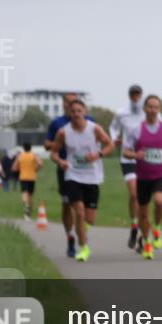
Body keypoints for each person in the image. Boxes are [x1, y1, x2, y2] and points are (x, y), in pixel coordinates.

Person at [50, 99, 114, 263]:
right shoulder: (63, 132)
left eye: (79, 111)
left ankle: (81, 230)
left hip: (92, 176)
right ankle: (84, 248)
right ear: (69, 113)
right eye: (73, 111)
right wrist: (61, 162)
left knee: (90, 219)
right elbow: (54, 153)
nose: (76, 114)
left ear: (85, 112)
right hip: (73, 175)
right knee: (79, 211)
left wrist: (98, 155)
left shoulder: (95, 129)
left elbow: (109, 145)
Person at [122, 95, 162, 259]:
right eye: (150, 107)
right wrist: (135, 154)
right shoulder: (137, 130)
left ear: (159, 110)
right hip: (142, 176)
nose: (153, 110)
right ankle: (147, 243)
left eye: (156, 107)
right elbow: (125, 151)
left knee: (160, 201)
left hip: (161, 174)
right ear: (144, 109)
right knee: (142, 213)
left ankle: (157, 227)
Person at [45, 92, 93, 258]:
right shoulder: (57, 124)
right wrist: (60, 142)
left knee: (87, 211)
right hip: (66, 169)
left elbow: (100, 140)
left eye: (76, 102)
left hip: (88, 170)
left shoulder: (90, 121)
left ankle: (82, 230)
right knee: (67, 205)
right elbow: (47, 145)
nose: (73, 106)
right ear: (64, 104)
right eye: (69, 103)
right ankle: (70, 237)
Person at [110, 84, 145, 249]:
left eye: (138, 94)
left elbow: (160, 129)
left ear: (142, 95)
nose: (135, 97)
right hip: (128, 158)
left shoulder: (149, 112)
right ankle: (134, 226)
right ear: (129, 96)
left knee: (144, 198)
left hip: (146, 159)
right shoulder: (121, 113)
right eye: (133, 95)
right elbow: (113, 127)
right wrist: (114, 138)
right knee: (134, 194)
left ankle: (141, 234)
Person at [12, 143, 43, 220]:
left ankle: (26, 207)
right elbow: (40, 163)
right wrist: (36, 169)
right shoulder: (33, 155)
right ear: (30, 148)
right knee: (30, 195)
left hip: (23, 177)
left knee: (24, 193)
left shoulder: (20, 156)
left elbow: (14, 168)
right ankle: (29, 213)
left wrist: (19, 169)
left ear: (23, 148)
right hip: (32, 177)